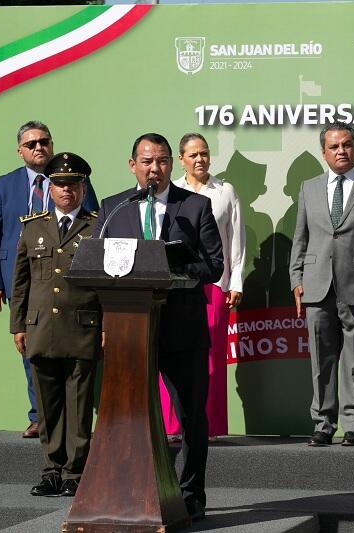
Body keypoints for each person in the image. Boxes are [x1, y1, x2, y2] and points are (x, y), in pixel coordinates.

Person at [93, 133, 223, 521]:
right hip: (131, 330)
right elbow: (100, 268)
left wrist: (174, 266)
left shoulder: (195, 207)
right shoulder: (114, 208)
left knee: (191, 418)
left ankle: (190, 493)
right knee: (129, 416)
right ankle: (132, 490)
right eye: (147, 161)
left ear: (171, 164)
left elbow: (214, 266)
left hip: (183, 330)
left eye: (163, 161)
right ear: (132, 165)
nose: (155, 169)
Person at [0, 120, 99, 438]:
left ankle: (70, 418)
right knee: (32, 348)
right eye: (31, 144)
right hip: (21, 279)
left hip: (68, 282)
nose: (38, 147)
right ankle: (39, 415)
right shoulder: (6, 184)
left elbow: (95, 230)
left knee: (69, 351)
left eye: (44, 141)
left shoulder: (75, 180)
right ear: (20, 150)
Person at [289, 121, 354, 447]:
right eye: (334, 146)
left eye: (347, 144)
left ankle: (353, 424)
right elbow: (301, 238)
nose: (341, 151)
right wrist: (296, 279)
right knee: (321, 361)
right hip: (316, 286)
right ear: (323, 152)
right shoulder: (309, 187)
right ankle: (323, 423)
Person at [9, 152, 102, 497]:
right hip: (41, 327)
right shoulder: (33, 226)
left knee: (78, 405)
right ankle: (51, 470)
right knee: (48, 407)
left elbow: (107, 281)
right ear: (50, 187)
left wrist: (105, 327)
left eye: (73, 184)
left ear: (82, 187)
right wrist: (18, 324)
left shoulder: (97, 226)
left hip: (82, 326)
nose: (67, 190)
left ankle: (75, 473)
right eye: (60, 184)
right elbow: (21, 281)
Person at [158, 133, 245, 441]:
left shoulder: (225, 191)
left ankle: (208, 425)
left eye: (204, 153)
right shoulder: (173, 192)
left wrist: (236, 282)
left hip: (215, 285)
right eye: (193, 155)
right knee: (172, 354)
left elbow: (236, 240)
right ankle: (172, 427)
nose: (200, 159)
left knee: (210, 359)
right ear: (181, 159)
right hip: (178, 286)